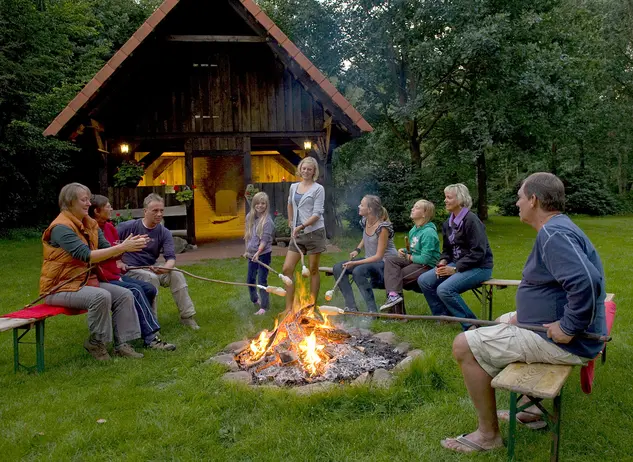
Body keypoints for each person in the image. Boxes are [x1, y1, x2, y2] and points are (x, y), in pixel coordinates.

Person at [441, 172, 607, 454]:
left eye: (519, 197)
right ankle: (531, 411)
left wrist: (568, 327)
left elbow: (586, 283)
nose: (517, 203)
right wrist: (526, 316)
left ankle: (487, 435)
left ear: (534, 199)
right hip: (555, 330)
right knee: (504, 320)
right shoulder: (558, 228)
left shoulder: (554, 234)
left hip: (571, 340)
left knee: (464, 345)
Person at [40, 183, 147, 361]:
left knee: (125, 294)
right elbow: (85, 255)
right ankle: (96, 343)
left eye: (89, 199)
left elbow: (107, 251)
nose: (89, 203)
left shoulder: (91, 224)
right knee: (101, 296)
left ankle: (123, 345)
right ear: (69, 202)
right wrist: (122, 247)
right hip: (59, 287)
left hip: (84, 282)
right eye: (84, 200)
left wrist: (129, 246)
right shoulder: (60, 227)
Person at [89, 195, 176, 351]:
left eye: (161, 210)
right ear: (96, 211)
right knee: (136, 290)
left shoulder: (109, 227)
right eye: (108, 206)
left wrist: (126, 250)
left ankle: (142, 325)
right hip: (101, 277)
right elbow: (97, 256)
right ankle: (150, 338)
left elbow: (115, 253)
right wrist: (124, 248)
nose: (111, 208)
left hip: (114, 274)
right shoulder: (90, 230)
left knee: (149, 288)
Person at [118, 193, 200, 330]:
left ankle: (187, 317)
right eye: (155, 211)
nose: (159, 214)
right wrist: (118, 262)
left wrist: (166, 268)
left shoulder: (164, 232)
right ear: (145, 211)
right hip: (130, 269)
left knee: (177, 274)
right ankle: (152, 324)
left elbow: (171, 258)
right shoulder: (128, 227)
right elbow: (108, 243)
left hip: (151, 266)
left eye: (161, 210)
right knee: (151, 278)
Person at [417, 184, 493, 330]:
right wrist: (443, 261)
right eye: (445, 197)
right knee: (424, 280)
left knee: (445, 289)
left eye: (448, 197)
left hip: (479, 267)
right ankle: (444, 317)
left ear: (460, 199)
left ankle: (471, 324)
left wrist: (455, 268)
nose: (445, 200)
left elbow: (478, 252)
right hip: (456, 265)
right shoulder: (448, 223)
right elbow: (447, 250)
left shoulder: (471, 220)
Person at [332, 195, 398, 312]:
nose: (359, 206)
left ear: (370, 209)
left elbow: (378, 256)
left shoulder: (383, 228)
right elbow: (366, 236)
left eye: (362, 205)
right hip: (370, 259)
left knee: (358, 271)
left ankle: (372, 310)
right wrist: (357, 249)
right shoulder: (365, 221)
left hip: (385, 263)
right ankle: (351, 307)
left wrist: (354, 263)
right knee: (338, 267)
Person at [282, 157, 326, 310]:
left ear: (314, 171)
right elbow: (289, 203)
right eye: (304, 168)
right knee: (287, 269)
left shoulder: (318, 189)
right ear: (300, 169)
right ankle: (289, 307)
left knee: (313, 269)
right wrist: (290, 221)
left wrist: (301, 226)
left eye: (310, 169)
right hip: (297, 234)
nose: (306, 171)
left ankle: (312, 306)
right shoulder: (294, 187)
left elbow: (317, 213)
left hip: (314, 233)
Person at [380, 199, 441, 311]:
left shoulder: (429, 233)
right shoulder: (414, 230)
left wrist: (408, 257)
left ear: (424, 214)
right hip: (415, 261)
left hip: (427, 266)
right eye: (413, 206)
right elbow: (413, 250)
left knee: (394, 278)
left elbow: (425, 259)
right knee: (390, 260)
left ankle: (397, 314)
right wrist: (403, 251)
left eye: (417, 207)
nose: (412, 209)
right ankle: (394, 299)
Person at [243, 192, 275, 315]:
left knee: (262, 280)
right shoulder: (249, 217)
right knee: (250, 279)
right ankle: (255, 299)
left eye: (263, 203)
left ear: (266, 205)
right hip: (252, 254)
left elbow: (264, 241)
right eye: (257, 203)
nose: (260, 205)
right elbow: (248, 236)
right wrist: (247, 250)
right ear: (253, 204)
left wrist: (258, 253)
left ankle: (264, 307)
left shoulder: (267, 222)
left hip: (263, 254)